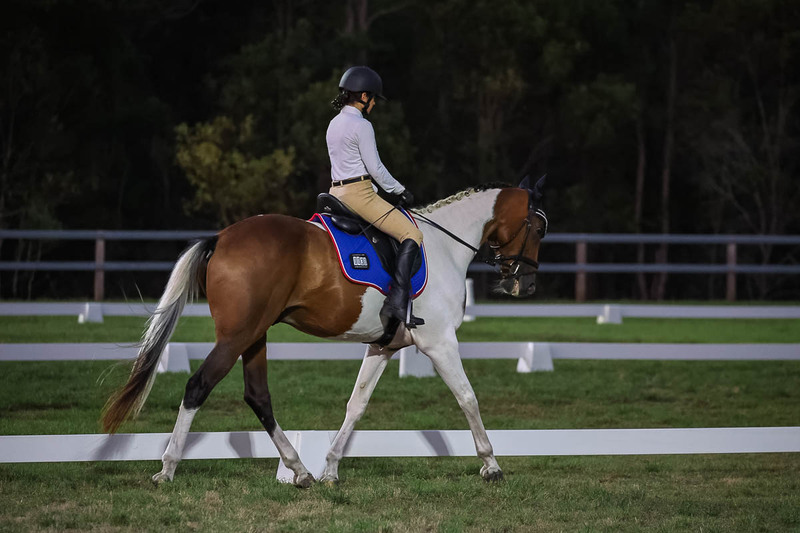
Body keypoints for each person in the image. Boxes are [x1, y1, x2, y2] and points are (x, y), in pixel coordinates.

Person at [326, 65, 424, 332]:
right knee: (412, 234)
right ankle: (397, 301)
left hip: (336, 193)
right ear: (365, 96)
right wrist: (399, 190)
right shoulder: (361, 125)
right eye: (373, 100)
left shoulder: (334, 123)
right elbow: (376, 169)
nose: (374, 105)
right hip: (360, 194)